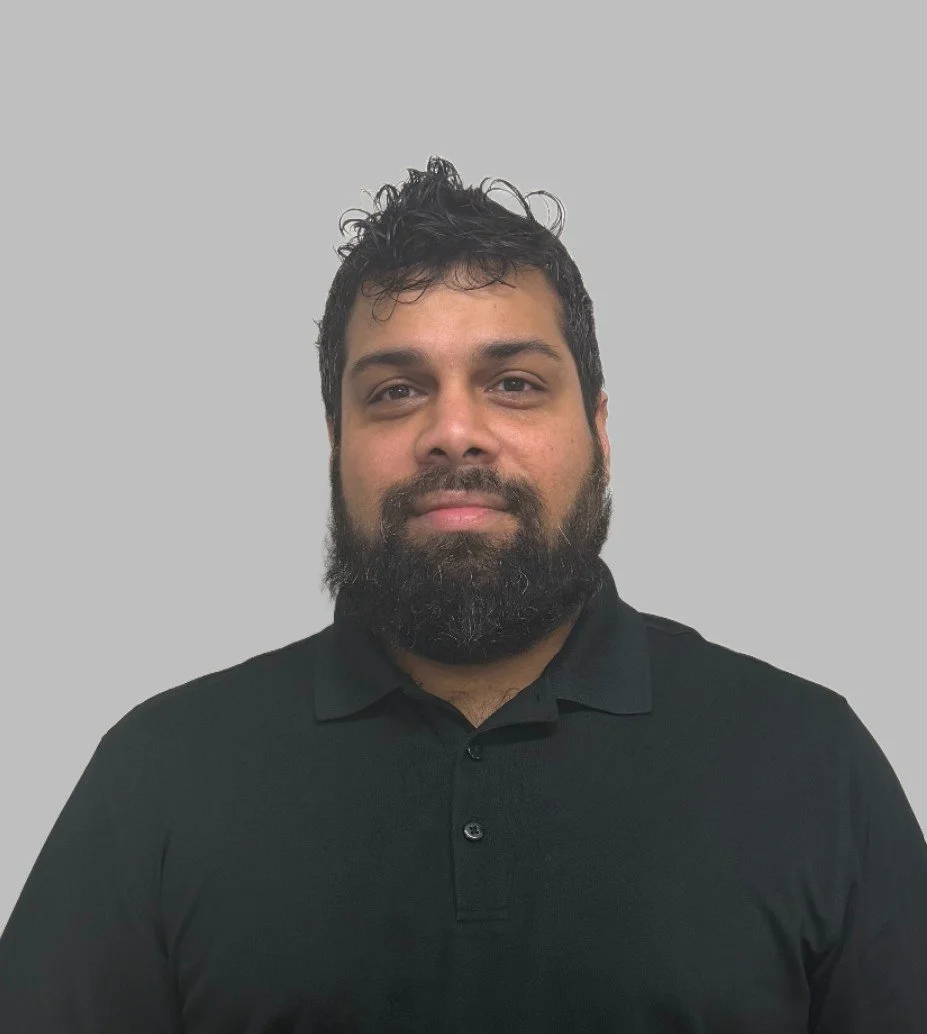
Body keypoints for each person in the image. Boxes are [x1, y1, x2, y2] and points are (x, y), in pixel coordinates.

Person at [1, 156, 925, 1032]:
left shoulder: (808, 759)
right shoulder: (161, 777)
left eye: (513, 384)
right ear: (335, 442)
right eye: (396, 391)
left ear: (599, 430)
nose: (453, 431)